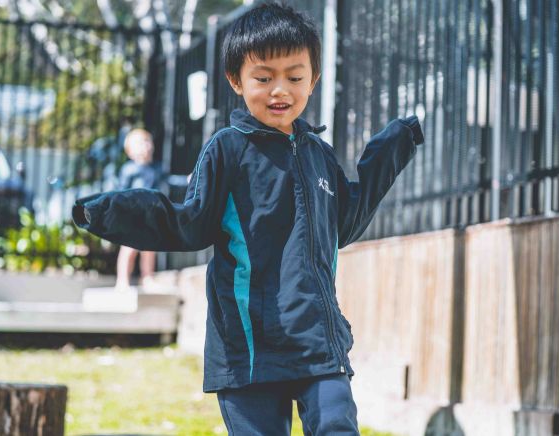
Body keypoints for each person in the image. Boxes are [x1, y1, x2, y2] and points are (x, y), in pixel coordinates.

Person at [72, 3, 423, 434]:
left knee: (338, 426)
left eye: (294, 77)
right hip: (249, 350)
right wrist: (107, 212)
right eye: (264, 77)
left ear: (313, 80)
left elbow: (344, 224)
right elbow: (188, 223)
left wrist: (395, 145)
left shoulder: (318, 154)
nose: (280, 90)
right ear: (237, 81)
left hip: (317, 342)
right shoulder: (227, 149)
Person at [114, 128, 161, 291]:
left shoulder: (155, 169)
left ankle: (147, 277)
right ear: (130, 151)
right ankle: (122, 280)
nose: (146, 146)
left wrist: (187, 179)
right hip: (133, 214)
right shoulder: (129, 169)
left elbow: (168, 181)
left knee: (149, 248)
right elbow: (120, 190)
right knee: (129, 248)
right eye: (141, 143)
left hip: (150, 214)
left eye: (148, 142)